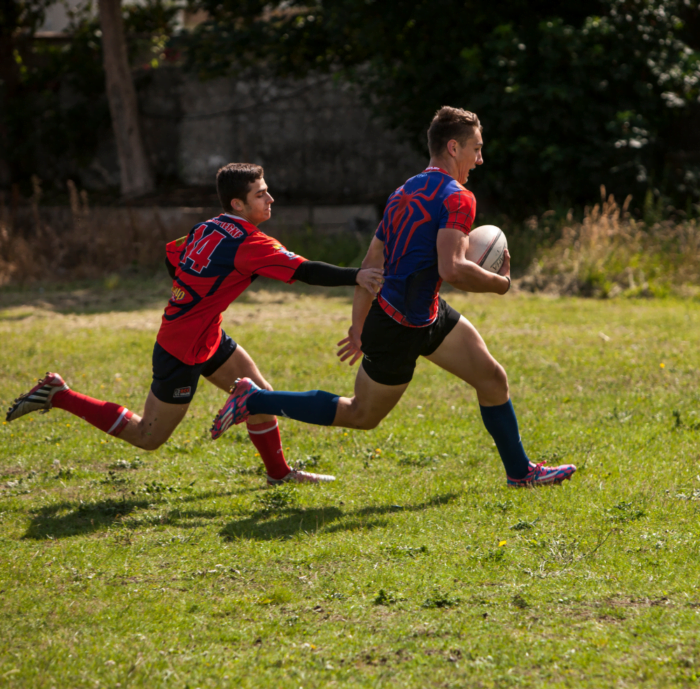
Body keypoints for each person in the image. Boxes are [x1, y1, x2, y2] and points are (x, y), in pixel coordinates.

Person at [211, 108, 576, 487]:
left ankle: (520, 473)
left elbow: (371, 264)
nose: (479, 159)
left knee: (491, 378)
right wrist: (501, 283)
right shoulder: (458, 197)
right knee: (361, 415)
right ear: (453, 147)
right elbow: (452, 268)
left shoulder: (402, 192)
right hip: (398, 327)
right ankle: (254, 400)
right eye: (476, 149)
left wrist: (358, 324)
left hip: (427, 316)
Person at [6, 163, 384, 485]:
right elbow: (305, 270)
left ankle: (279, 474)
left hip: (206, 335)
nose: (270, 200)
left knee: (260, 396)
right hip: (181, 349)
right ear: (238, 203)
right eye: (260, 195)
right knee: (147, 437)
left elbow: (174, 253)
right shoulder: (252, 244)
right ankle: (59, 394)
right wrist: (357, 276)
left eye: (268, 192)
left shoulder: (210, 226)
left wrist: (194, 298)